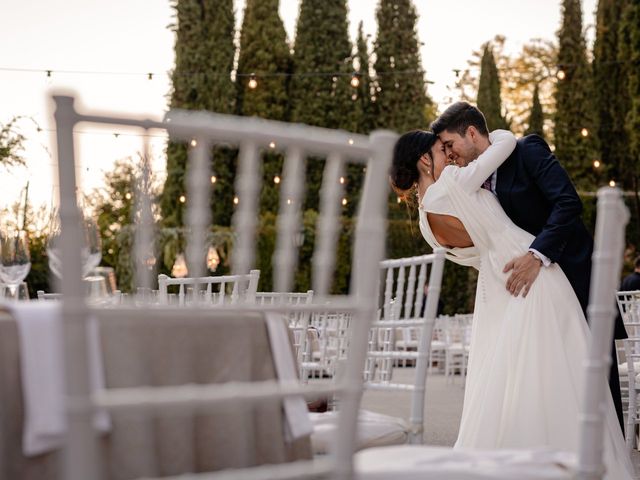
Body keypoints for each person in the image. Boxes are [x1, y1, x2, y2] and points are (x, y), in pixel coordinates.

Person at [389, 124, 634, 478]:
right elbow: (502, 145)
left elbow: (473, 252)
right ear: (424, 161)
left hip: (499, 276)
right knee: (561, 361)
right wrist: (500, 132)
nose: (450, 156)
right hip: (529, 268)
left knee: (519, 369)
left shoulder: (426, 216)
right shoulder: (455, 182)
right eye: (442, 150)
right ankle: (571, 455)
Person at [432, 102, 626, 433]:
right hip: (534, 295)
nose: (449, 154)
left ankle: (607, 456)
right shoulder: (474, 180)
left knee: (595, 374)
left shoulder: (527, 150)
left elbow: (568, 202)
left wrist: (538, 254)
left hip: (575, 273)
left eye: (450, 144)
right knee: (553, 379)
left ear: (472, 132)